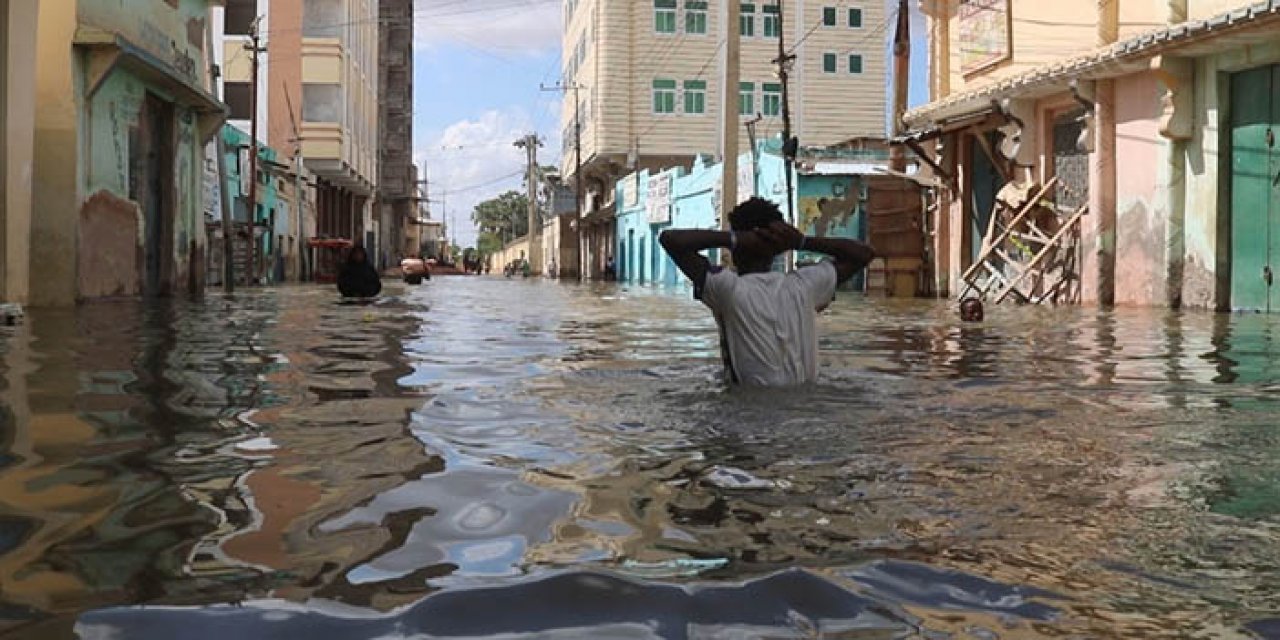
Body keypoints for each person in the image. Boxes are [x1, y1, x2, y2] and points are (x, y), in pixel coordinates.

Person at [660, 197, 876, 387]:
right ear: (777, 250)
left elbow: (671, 240)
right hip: (805, 414)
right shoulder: (805, 286)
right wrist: (802, 241)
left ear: (735, 249)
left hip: (747, 418)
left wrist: (735, 239)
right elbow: (864, 253)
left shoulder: (726, 289)